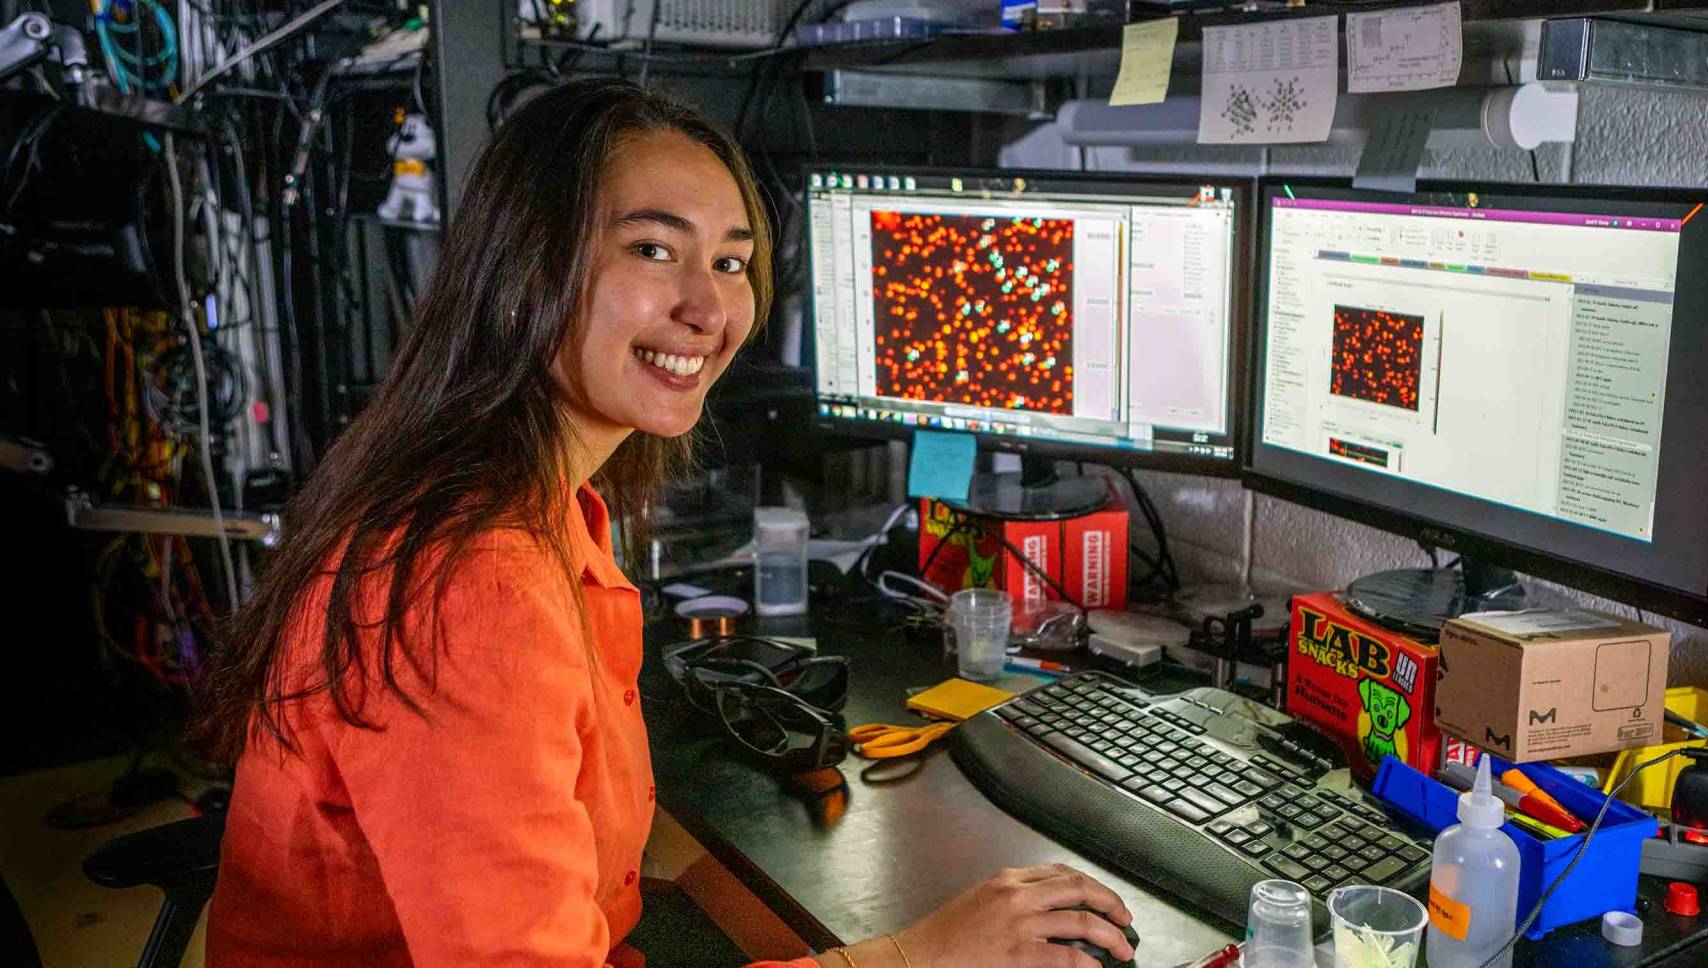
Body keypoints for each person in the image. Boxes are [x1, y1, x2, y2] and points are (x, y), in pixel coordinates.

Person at [198, 78, 1138, 968]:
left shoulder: (527, 500)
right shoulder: (474, 581)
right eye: (653, 249)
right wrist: (919, 953)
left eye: (730, 262)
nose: (710, 309)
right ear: (529, 264)